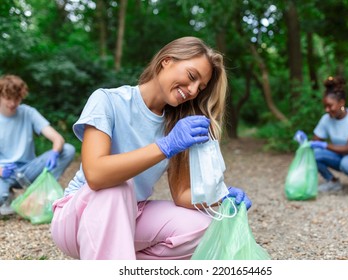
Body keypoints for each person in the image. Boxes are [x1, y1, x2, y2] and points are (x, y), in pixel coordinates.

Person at [50, 36, 252, 260]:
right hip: (78, 216)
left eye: (200, 87)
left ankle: (119, 259)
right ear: (166, 61)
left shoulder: (177, 124)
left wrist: (221, 196)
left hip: (131, 216)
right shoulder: (107, 100)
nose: (194, 90)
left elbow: (182, 194)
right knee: (117, 187)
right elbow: (96, 175)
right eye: (192, 76)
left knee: (205, 227)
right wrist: (166, 146)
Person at [0, 74, 76, 215]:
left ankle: (41, 193)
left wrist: (54, 153)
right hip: (3, 172)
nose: (12, 104)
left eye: (16, 99)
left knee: (67, 150)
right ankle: (7, 196)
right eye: (8, 98)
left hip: (28, 170)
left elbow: (57, 139)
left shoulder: (28, 113)